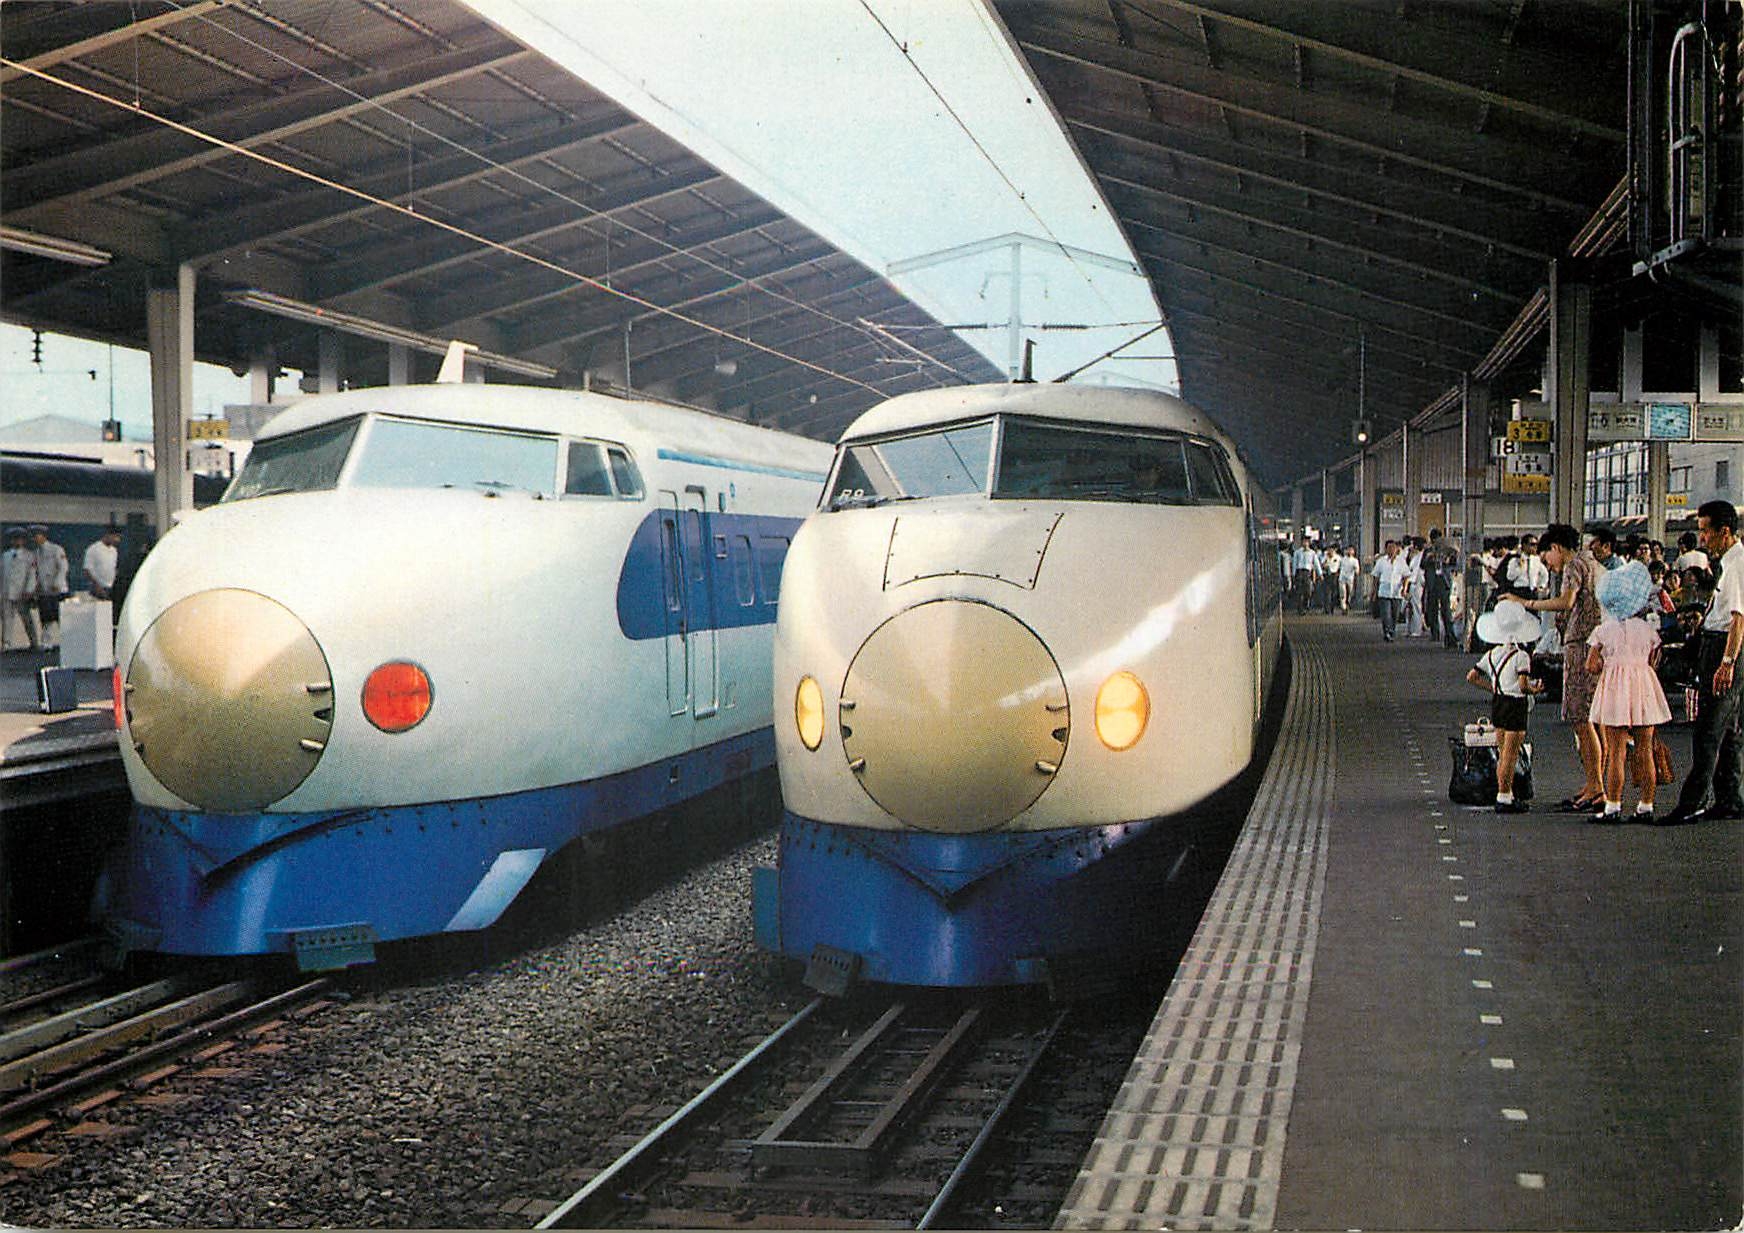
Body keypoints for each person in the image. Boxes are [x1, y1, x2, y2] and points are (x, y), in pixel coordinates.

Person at [1660, 499, 1744, 825]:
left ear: (1725, 531)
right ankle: (1729, 799)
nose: (1703, 538)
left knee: (1708, 728)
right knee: (1729, 729)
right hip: (1719, 644)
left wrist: (1727, 662)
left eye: (1706, 531)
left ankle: (1692, 802)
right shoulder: (1729, 562)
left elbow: (1738, 619)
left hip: (1724, 647)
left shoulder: (1736, 565)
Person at [1512, 524, 1605, 810]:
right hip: (1596, 642)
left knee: (1580, 718)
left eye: (1546, 559)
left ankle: (1596, 787)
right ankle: (1596, 783)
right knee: (1593, 718)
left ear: (1556, 547)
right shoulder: (1594, 562)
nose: (1548, 567)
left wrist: (1526, 603)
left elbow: (1567, 601)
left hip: (1581, 645)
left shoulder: (1574, 565)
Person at [1585, 561, 1673, 823]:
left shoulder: (1603, 631)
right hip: (1643, 685)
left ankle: (1613, 806)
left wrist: (1607, 664)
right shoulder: (1647, 629)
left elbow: (1591, 665)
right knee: (1645, 748)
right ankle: (1646, 806)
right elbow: (1654, 660)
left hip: (1614, 688)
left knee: (1616, 751)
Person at [1467, 602, 1545, 814]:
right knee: (1511, 754)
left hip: (1498, 702)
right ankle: (1503, 796)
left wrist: (1493, 687)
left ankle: (1506, 794)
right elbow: (1523, 685)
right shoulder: (1521, 657)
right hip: (1515, 704)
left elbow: (1472, 677)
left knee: (1503, 752)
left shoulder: (1491, 654)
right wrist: (1535, 689)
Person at [30, 524, 68, 652]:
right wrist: (36, 587)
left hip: (58, 590)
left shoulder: (56, 549)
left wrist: (57, 583)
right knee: (46, 619)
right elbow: (36, 572)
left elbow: (63, 567)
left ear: (43, 536)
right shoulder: (36, 553)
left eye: (37, 535)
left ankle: (68, 642)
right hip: (45, 591)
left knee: (61, 618)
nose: (35, 538)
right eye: (34, 536)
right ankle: (47, 644)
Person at [3, 526, 41, 651]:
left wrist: (29, 590)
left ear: (23, 541)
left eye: (19, 539)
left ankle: (34, 642)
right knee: (7, 618)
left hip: (22, 592)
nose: (17, 541)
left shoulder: (29, 556)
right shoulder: (5, 556)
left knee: (27, 618)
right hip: (7, 591)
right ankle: (7, 643)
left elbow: (32, 574)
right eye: (14, 539)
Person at [1371, 540, 1410, 642]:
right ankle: (1387, 632)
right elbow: (1376, 577)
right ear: (1386, 549)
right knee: (1386, 614)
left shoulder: (1401, 561)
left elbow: (1406, 576)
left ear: (1396, 549)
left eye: (1393, 547)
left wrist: (1404, 589)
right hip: (1384, 591)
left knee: (1395, 614)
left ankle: (1392, 630)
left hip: (1396, 592)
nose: (1391, 550)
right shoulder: (1381, 561)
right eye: (1389, 548)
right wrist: (1374, 591)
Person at [1423, 528, 1456, 647]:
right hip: (1432, 582)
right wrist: (1428, 559)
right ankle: (1435, 633)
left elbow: (1454, 563)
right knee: (1432, 608)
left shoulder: (1448, 550)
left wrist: (1448, 560)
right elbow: (1422, 565)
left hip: (1444, 581)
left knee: (1446, 610)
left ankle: (1449, 635)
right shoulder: (1428, 551)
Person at [84, 527, 121, 601]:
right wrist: (97, 587)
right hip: (98, 588)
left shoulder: (114, 551)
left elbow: (114, 568)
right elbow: (87, 570)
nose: (117, 540)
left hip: (111, 588)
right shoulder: (93, 549)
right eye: (115, 537)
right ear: (108, 535)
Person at [1290, 538, 1321, 614]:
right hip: (1299, 572)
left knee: (1308, 591)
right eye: (1304, 542)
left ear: (1309, 543)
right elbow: (1294, 563)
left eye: (1306, 542)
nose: (1305, 543)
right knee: (1299, 591)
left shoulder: (1312, 553)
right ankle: (1300, 609)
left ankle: (1306, 603)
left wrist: (1320, 574)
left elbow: (1316, 563)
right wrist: (1293, 574)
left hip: (1307, 573)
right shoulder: (1297, 552)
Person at [1337, 545, 1360, 613]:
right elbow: (1339, 567)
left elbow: (1357, 570)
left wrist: (1356, 570)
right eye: (1348, 550)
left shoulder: (1355, 560)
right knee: (1343, 592)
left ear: (1353, 552)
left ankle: (1348, 603)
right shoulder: (1342, 559)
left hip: (1350, 579)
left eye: (1351, 550)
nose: (1349, 551)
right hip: (1342, 578)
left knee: (1350, 593)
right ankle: (1343, 607)